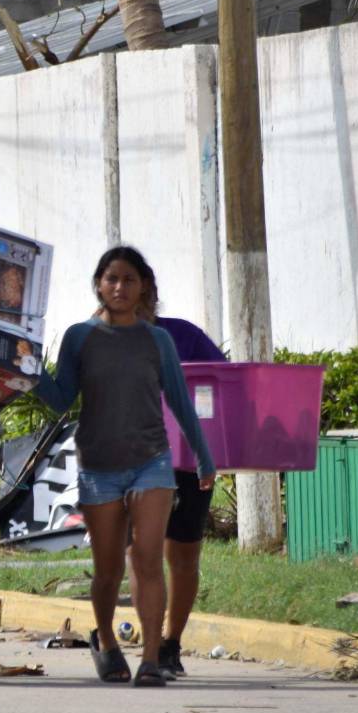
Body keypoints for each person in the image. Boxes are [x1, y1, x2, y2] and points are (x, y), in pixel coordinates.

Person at [34, 246, 215, 687]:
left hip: (152, 464)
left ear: (144, 288)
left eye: (129, 280)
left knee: (150, 560)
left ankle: (151, 659)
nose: (120, 287)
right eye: (111, 279)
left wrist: (204, 456)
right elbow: (60, 397)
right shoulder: (79, 337)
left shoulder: (159, 341)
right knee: (109, 568)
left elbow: (179, 400)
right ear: (98, 283)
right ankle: (109, 645)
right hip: (98, 467)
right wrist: (26, 366)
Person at [127, 283, 226, 679]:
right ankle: (152, 643)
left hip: (187, 466)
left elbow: (224, 386)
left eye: (137, 288)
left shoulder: (184, 336)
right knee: (141, 556)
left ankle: (171, 644)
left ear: (151, 295)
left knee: (183, 558)